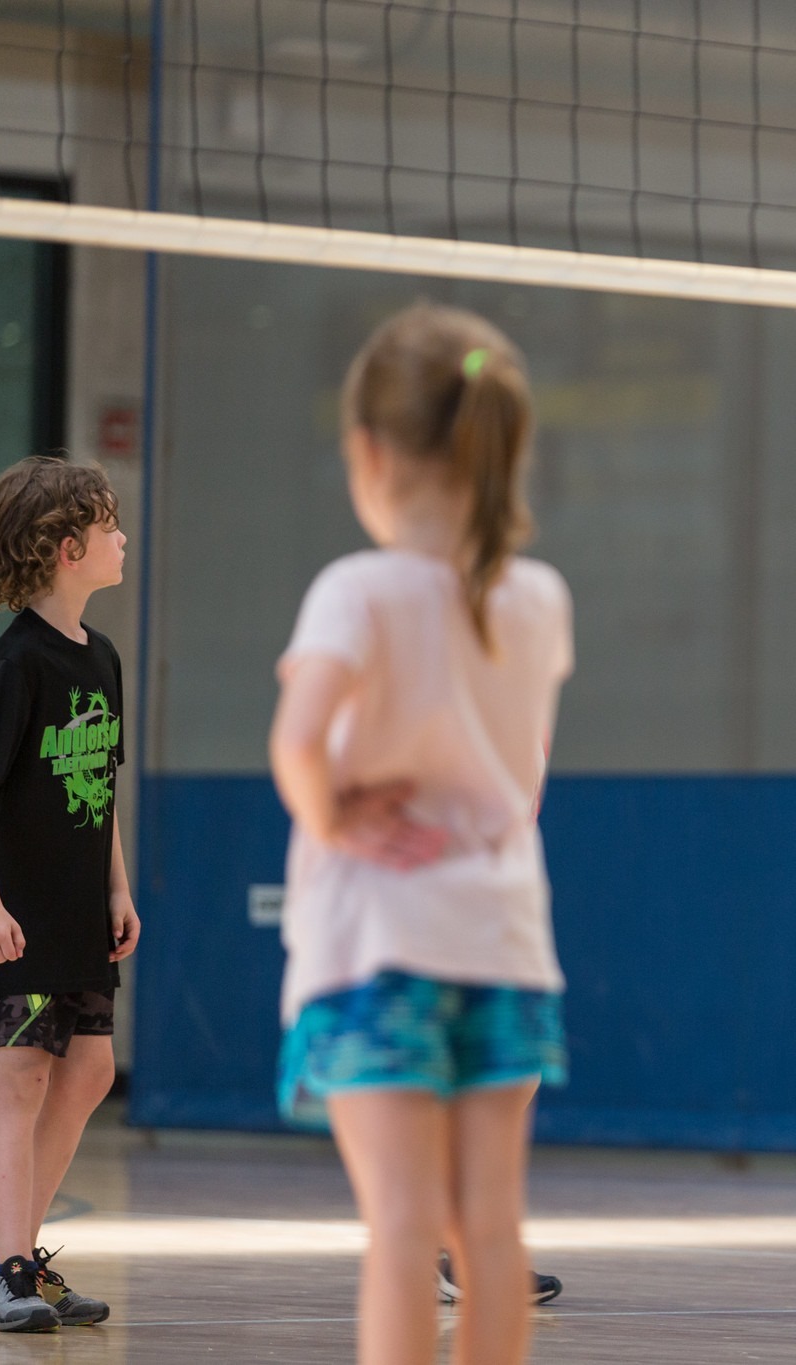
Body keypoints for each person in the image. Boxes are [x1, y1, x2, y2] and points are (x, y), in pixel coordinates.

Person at [270, 304, 573, 1365]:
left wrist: (332, 816)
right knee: (489, 1227)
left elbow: (297, 744)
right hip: (501, 941)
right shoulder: (537, 597)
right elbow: (525, 768)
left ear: (368, 450)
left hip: (382, 946)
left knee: (400, 1226)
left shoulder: (355, 589)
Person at [0, 456, 134, 1333]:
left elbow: (101, 788)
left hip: (79, 916)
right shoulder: (19, 661)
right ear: (69, 549)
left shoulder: (101, 657)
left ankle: (7, 1254)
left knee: (91, 1068)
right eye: (108, 527)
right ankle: (13, 1264)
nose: (122, 537)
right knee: (22, 1078)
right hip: (19, 918)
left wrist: (118, 888)